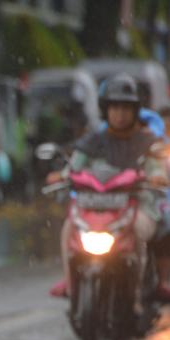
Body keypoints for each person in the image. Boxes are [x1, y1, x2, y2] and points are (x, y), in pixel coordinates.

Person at [49, 73, 168, 299]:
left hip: (136, 206)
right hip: (95, 206)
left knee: (141, 230)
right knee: (68, 228)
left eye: (126, 108)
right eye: (115, 108)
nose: (120, 114)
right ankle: (70, 282)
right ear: (106, 110)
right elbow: (75, 165)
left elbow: (156, 167)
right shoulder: (93, 141)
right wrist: (61, 175)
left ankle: (139, 294)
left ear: (135, 111)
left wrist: (157, 176)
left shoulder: (148, 142)